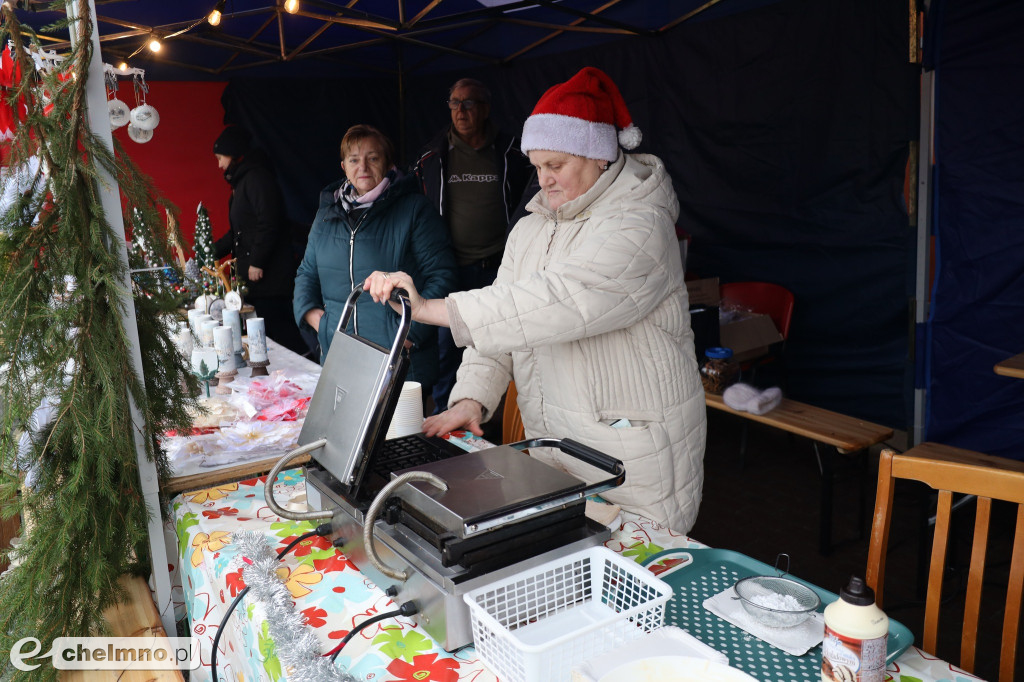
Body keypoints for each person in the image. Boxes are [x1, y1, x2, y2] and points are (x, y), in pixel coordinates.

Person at [364, 67, 707, 534]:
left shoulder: (641, 224)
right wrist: (472, 396)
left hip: (631, 460)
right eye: (537, 165)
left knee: (638, 582)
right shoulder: (531, 228)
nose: (543, 180)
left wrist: (430, 309)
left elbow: (556, 302)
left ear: (600, 155)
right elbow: (504, 316)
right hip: (557, 452)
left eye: (556, 165)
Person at [293, 124, 457, 389]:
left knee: (398, 432)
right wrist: (319, 323)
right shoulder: (326, 214)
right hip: (340, 360)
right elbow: (306, 274)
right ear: (343, 166)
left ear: (387, 162)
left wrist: (407, 335)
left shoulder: (414, 210)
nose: (363, 167)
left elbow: (442, 275)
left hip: (399, 364)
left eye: (373, 158)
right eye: (354, 160)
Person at [412, 78, 532, 414]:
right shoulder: (432, 157)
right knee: (449, 348)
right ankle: (449, 420)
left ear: (485, 108)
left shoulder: (512, 151)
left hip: (500, 267)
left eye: (469, 103)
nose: (461, 111)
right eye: (454, 103)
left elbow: (529, 200)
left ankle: (497, 418)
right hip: (453, 269)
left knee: (504, 341)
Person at [212, 125, 306, 354]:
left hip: (269, 278)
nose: (219, 165)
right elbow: (237, 233)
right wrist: (208, 252)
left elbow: (270, 222)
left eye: (220, 157)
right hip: (255, 280)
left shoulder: (257, 179)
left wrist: (257, 261)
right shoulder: (242, 182)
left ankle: (306, 369)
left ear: (233, 154)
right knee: (267, 333)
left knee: (280, 331)